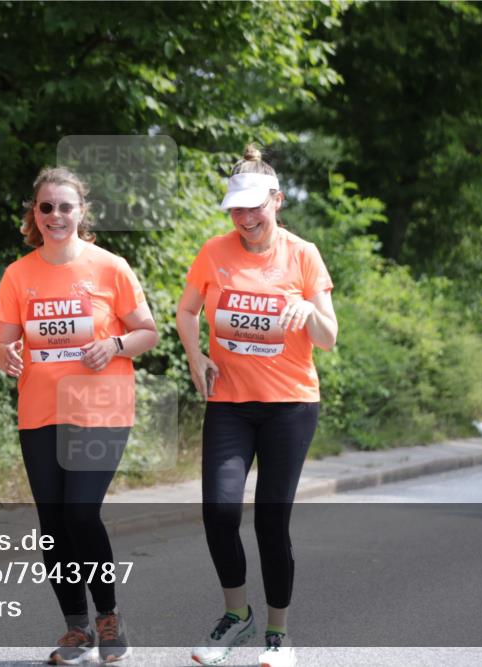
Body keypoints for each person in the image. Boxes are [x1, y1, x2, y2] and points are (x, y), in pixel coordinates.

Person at [0, 167, 158, 664]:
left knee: (81, 513)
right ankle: (76, 629)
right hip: (40, 413)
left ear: (81, 212)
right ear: (34, 214)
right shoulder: (19, 274)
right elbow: (0, 345)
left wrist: (115, 344)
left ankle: (108, 614)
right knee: (52, 523)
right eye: (47, 207)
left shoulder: (110, 267)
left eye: (66, 206)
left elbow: (147, 332)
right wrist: (6, 355)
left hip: (101, 410)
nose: (56, 215)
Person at [178, 145, 338, 667]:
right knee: (219, 512)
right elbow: (186, 310)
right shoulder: (213, 252)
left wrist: (306, 308)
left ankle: (278, 633)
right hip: (229, 402)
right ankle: (236, 616)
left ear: (277, 201)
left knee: (272, 520)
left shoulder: (303, 254)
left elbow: (330, 337)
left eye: (255, 208)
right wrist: (195, 354)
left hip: (290, 405)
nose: (245, 219)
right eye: (236, 209)